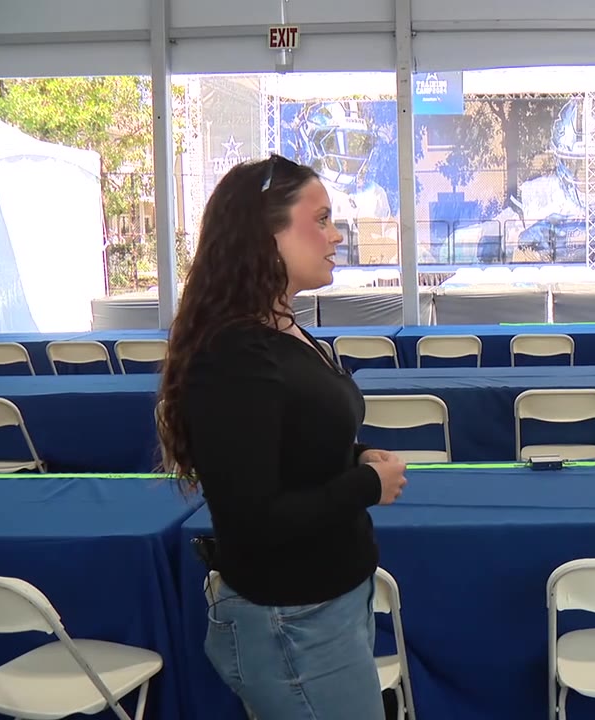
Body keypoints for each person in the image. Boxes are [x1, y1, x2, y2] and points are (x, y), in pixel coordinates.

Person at [155, 153, 408, 718]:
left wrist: (355, 455)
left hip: (323, 609)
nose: (336, 235)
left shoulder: (282, 330)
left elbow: (290, 442)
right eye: (320, 220)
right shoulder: (235, 355)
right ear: (264, 234)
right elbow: (252, 517)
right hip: (293, 622)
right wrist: (367, 484)